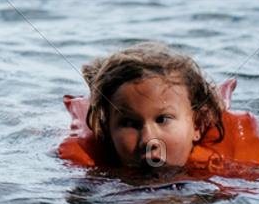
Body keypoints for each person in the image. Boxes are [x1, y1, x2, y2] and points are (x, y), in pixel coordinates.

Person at [77, 41, 227, 171]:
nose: (148, 140)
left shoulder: (229, 178)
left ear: (197, 125)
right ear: (108, 130)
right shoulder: (94, 183)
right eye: (128, 123)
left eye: (163, 119)